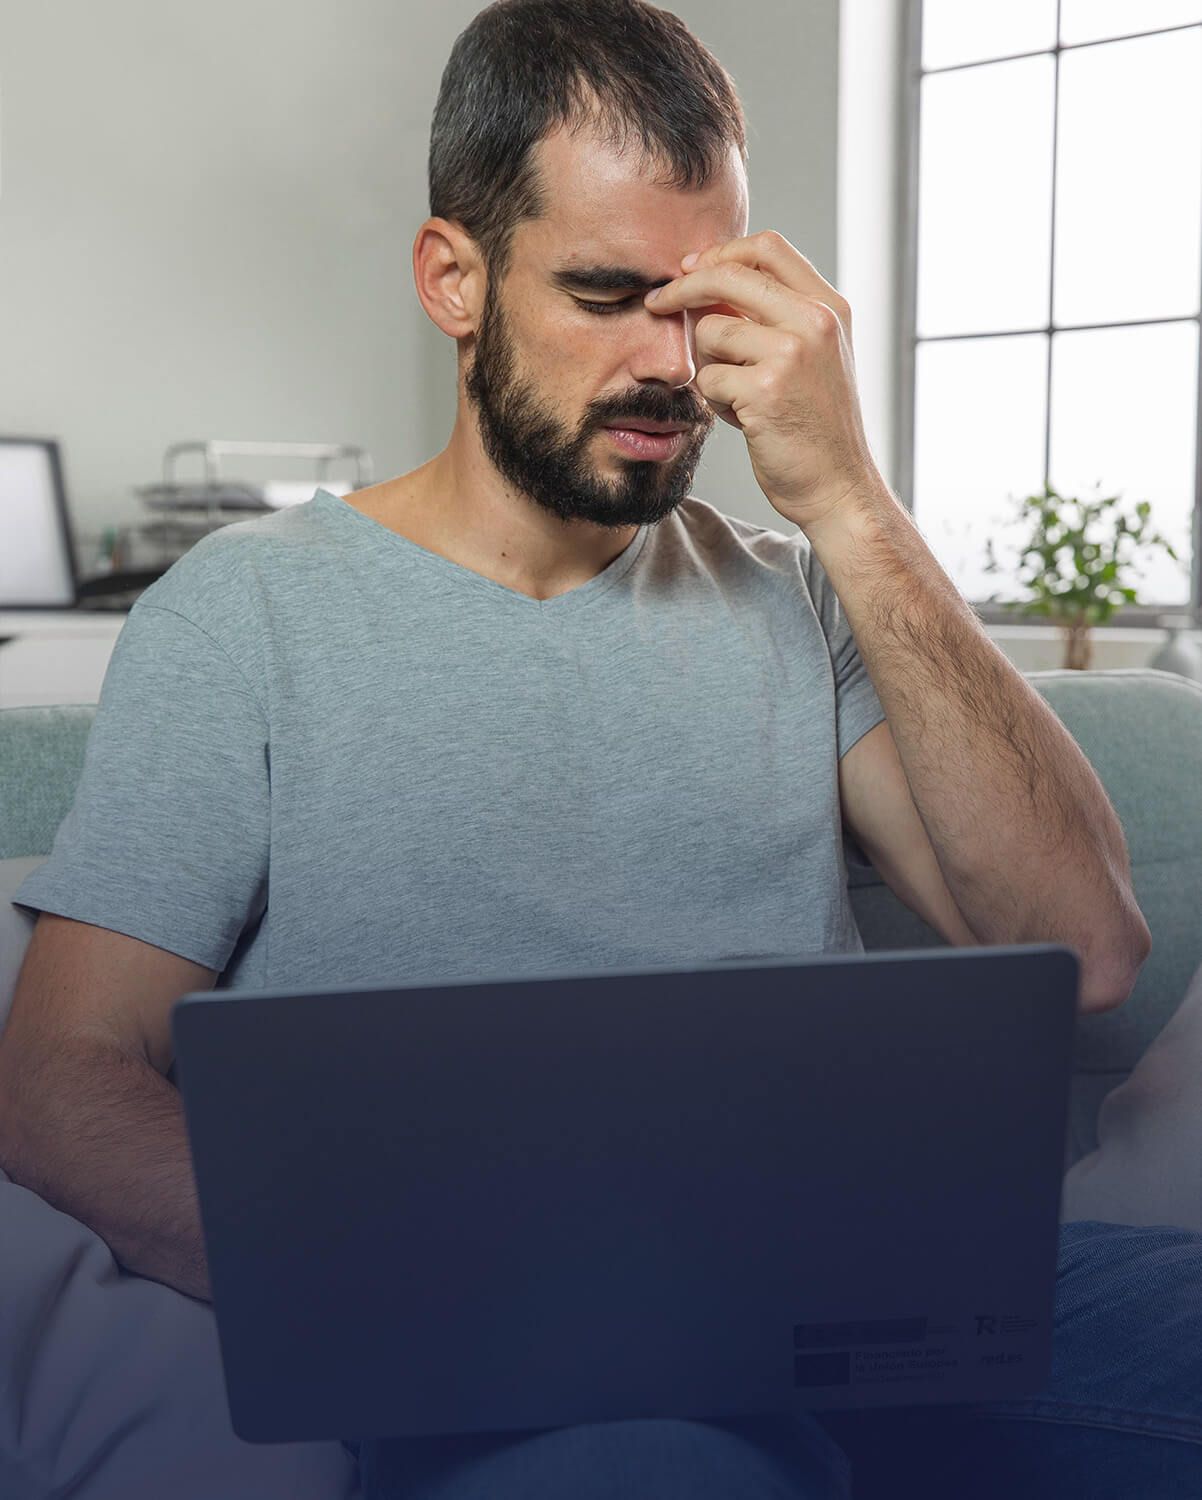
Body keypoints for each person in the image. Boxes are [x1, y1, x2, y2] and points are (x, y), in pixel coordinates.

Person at [3, 1, 1199, 1495]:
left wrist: (849, 505)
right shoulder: (246, 613)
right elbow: (59, 1073)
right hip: (496, 1358)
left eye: (702, 305)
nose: (668, 364)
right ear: (453, 277)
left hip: (846, 1315)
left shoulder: (803, 592)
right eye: (606, 292)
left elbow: (1077, 948)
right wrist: (389, 1276)